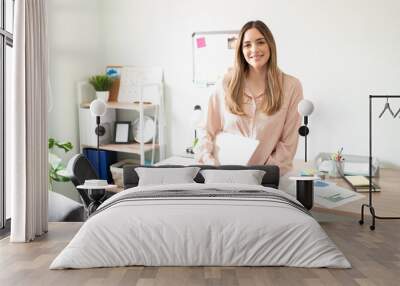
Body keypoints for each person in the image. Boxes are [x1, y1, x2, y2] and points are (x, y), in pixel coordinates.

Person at [195, 20, 303, 175]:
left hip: (266, 180)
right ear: (241, 50)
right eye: (247, 45)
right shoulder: (225, 83)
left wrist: (261, 175)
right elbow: (206, 131)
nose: (254, 49)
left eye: (260, 42)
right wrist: (211, 166)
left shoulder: (292, 86)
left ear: (270, 45)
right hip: (222, 176)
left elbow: (288, 144)